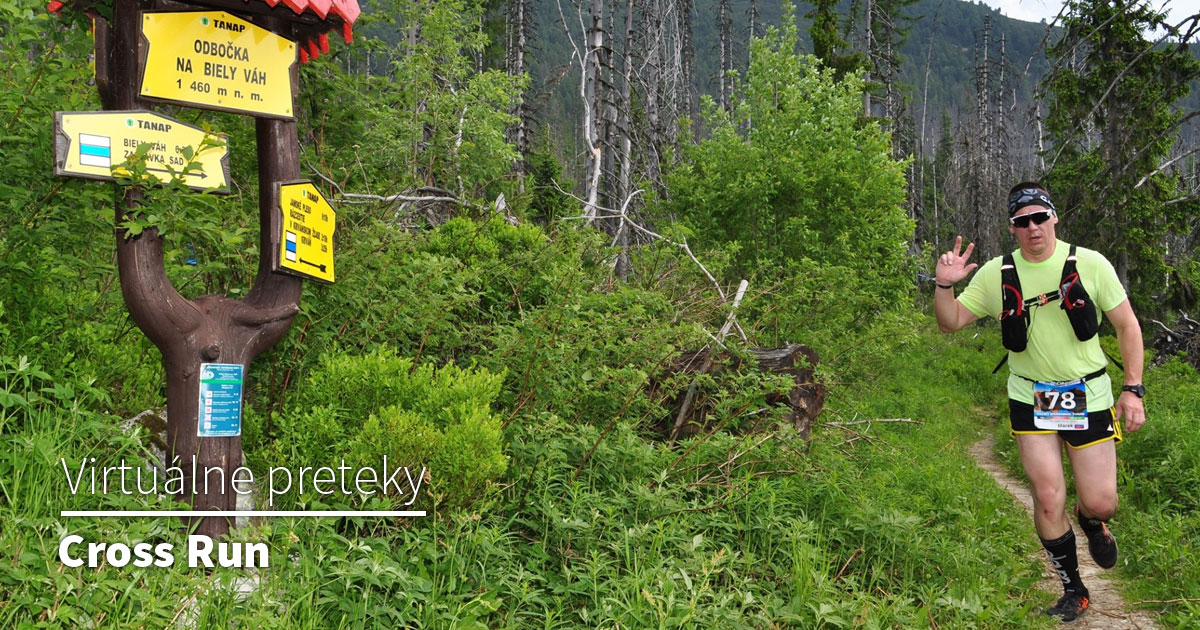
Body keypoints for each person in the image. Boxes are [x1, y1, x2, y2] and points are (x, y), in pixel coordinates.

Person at [933, 182, 1146, 623]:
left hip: (1087, 393)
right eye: (1021, 221)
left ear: (1054, 218)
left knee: (1102, 500)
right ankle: (1074, 589)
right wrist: (943, 284)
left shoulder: (1089, 263)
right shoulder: (997, 271)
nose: (1032, 228)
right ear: (1012, 228)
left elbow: (1127, 325)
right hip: (1031, 396)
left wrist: (1133, 388)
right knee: (1048, 497)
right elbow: (950, 322)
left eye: (1039, 217)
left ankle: (1092, 522)